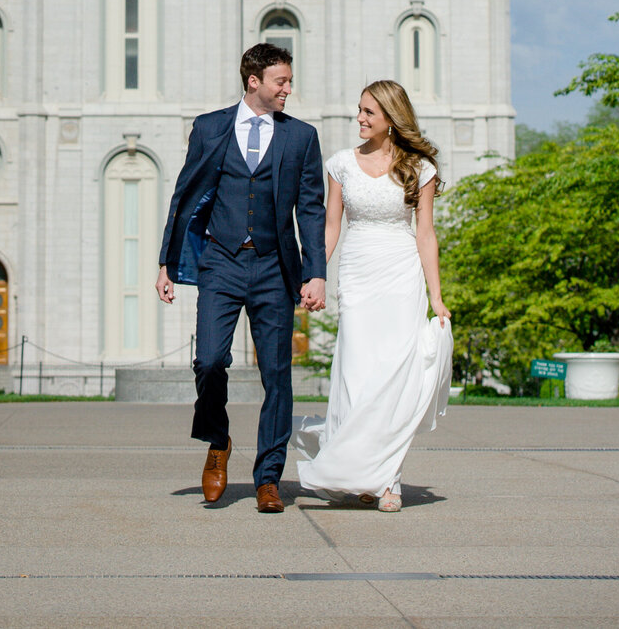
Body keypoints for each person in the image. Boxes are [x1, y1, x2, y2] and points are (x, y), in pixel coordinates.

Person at [156, 43, 327, 513]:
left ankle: (268, 477)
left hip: (274, 266)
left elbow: (311, 209)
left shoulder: (301, 138)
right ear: (254, 81)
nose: (288, 89)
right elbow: (185, 195)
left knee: (278, 375)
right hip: (221, 262)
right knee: (209, 361)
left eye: (289, 81)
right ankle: (218, 441)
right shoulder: (210, 127)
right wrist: (166, 263)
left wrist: (316, 273)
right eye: (281, 82)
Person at [294, 80, 452, 511]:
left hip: (402, 277)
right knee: (358, 375)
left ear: (390, 118)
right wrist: (313, 275)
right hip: (359, 275)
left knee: (393, 378)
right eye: (359, 110)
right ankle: (358, 472)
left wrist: (435, 297)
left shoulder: (419, 168)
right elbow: (331, 227)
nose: (360, 118)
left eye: (369, 112)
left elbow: (425, 234)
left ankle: (388, 481)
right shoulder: (341, 164)